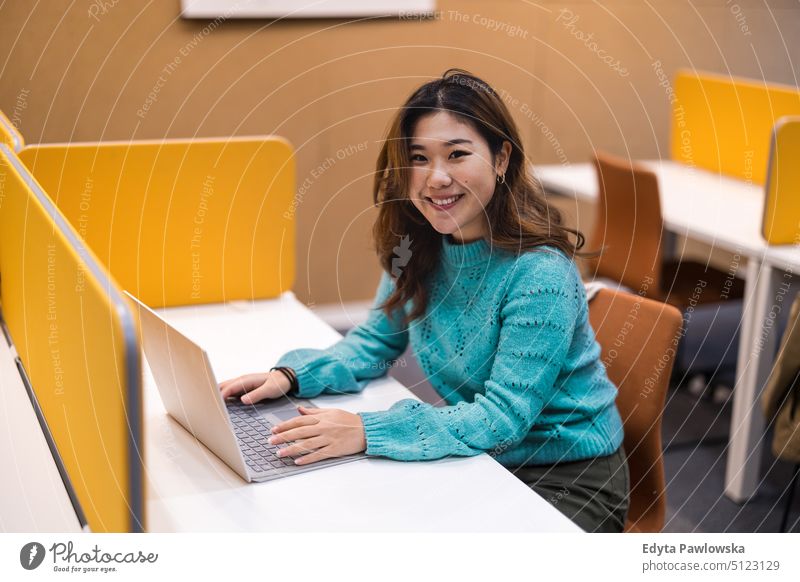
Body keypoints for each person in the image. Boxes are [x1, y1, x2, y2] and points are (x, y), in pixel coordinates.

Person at [219, 69, 629, 532]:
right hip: (482, 461)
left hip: (566, 479)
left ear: (501, 158)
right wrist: (292, 376)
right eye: (418, 158)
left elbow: (503, 417)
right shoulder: (416, 245)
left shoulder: (539, 273)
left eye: (457, 154)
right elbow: (374, 340)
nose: (436, 178)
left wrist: (365, 431)